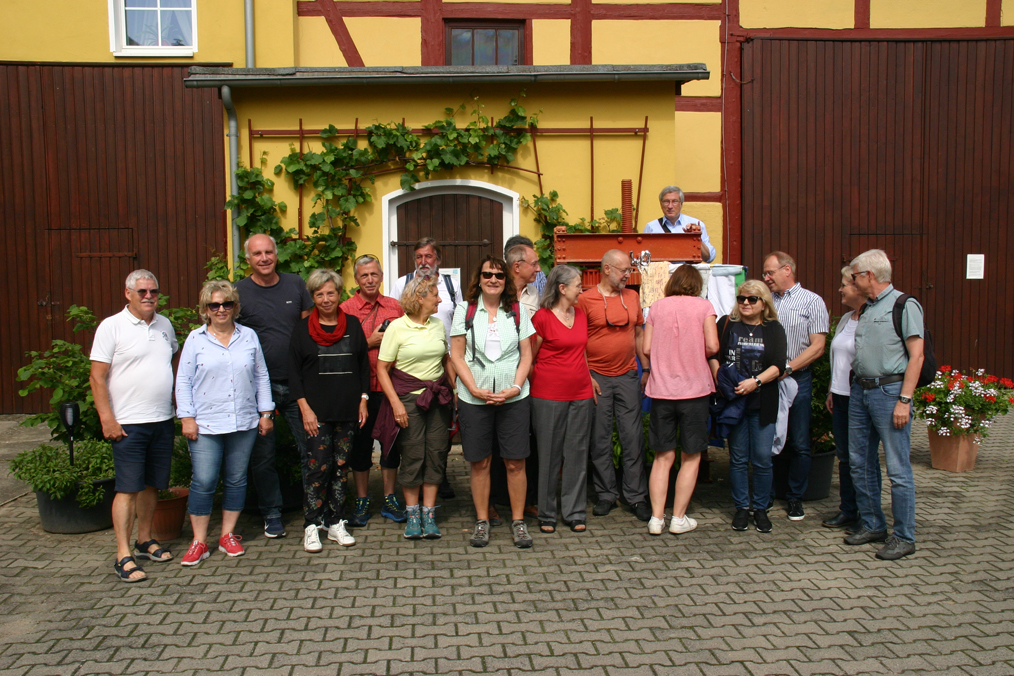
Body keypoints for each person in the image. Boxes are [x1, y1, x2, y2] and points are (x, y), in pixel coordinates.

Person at [175, 281, 274, 566]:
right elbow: (183, 380)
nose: (221, 309)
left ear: (235, 307)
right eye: (214, 305)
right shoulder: (195, 339)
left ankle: (227, 535)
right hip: (205, 423)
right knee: (204, 480)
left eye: (227, 304)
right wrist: (186, 417)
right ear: (205, 309)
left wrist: (266, 413)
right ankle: (199, 541)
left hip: (243, 420)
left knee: (236, 479)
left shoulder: (248, 336)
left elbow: (261, 375)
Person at [90, 270, 179, 583]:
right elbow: (97, 377)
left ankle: (144, 540)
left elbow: (169, 364)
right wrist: (107, 419)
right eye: (142, 291)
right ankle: (122, 554)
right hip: (128, 423)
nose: (149, 296)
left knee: (152, 484)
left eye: (153, 291)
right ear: (127, 293)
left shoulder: (165, 325)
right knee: (127, 488)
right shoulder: (111, 326)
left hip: (162, 419)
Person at [450, 256, 536, 549]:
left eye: (499, 275)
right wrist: (473, 388)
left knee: (515, 462)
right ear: (479, 278)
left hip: (514, 398)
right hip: (474, 398)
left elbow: (527, 354)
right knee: (480, 462)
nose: (493, 280)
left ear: (505, 280)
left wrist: (515, 387)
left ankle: (518, 522)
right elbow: (456, 355)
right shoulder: (465, 310)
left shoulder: (517, 311)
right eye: (487, 274)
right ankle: (482, 520)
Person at [845, 249, 924, 561]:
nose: (851, 281)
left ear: (869, 275)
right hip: (860, 391)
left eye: (854, 275)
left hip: (889, 393)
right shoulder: (867, 307)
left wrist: (905, 399)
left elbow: (916, 355)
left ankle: (904, 536)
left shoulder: (904, 304)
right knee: (859, 462)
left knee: (897, 468)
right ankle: (873, 524)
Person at [235, 233, 314, 539]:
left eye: (269, 252)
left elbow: (308, 329)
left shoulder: (295, 284)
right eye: (257, 254)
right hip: (258, 390)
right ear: (248, 259)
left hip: (297, 386)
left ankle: (314, 510)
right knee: (263, 456)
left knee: (310, 448)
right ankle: (271, 513)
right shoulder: (238, 292)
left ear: (276, 254)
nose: (264, 258)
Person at [289, 269, 370, 552]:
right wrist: (305, 409)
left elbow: (363, 365)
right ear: (313, 297)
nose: (326, 299)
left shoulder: (353, 324)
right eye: (319, 294)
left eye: (330, 293)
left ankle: (336, 522)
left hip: (347, 410)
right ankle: (312, 525)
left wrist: (363, 399)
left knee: (341, 467)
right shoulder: (302, 330)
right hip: (316, 414)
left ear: (339, 294)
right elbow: (294, 373)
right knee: (317, 468)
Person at [375, 274, 455, 540]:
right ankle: (412, 515)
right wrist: (396, 403)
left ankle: (428, 515)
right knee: (412, 455)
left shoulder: (437, 325)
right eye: (435, 295)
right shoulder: (397, 327)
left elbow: (445, 359)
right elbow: (382, 369)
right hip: (409, 400)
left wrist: (456, 390)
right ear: (420, 298)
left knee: (436, 453)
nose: (440, 300)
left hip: (438, 400)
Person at [643, 266, 719, 536]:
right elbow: (713, 346)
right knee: (691, 455)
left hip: (662, 391)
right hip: (694, 391)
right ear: (696, 284)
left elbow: (646, 347)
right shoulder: (704, 306)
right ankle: (678, 518)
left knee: (662, 456)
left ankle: (656, 519)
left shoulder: (657, 307)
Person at [577, 249, 651, 522]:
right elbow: (579, 340)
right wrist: (588, 375)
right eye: (623, 270)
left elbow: (639, 335)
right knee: (600, 438)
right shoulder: (585, 299)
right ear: (607, 269)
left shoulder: (632, 297)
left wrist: (646, 368)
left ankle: (636, 496)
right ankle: (606, 494)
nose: (627, 275)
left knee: (633, 438)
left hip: (628, 375)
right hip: (597, 377)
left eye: (629, 270)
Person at [388, 237, 462, 501]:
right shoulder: (402, 284)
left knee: (439, 441)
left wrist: (456, 382)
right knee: (413, 445)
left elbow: (459, 321)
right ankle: (414, 495)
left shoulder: (451, 286)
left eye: (428, 256)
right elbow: (394, 318)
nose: (423, 261)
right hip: (412, 371)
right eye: (418, 257)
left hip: (444, 362)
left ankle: (438, 481)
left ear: (438, 259)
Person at [710, 280, 787, 533]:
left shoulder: (773, 328)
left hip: (762, 401)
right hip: (734, 403)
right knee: (738, 458)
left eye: (752, 299)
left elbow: (779, 365)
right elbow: (713, 355)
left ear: (763, 303)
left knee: (763, 458)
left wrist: (756, 382)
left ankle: (761, 508)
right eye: (741, 298)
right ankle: (742, 508)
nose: (745, 303)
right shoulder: (726, 324)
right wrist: (720, 378)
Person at [340, 254, 407, 527]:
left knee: (391, 445)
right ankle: (362, 499)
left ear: (381, 276)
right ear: (356, 279)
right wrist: (370, 341)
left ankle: (390, 497)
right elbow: (341, 350)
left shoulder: (394, 306)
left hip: (390, 387)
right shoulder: (345, 309)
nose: (370, 280)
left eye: (374, 274)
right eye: (364, 275)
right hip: (360, 390)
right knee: (361, 446)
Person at [762, 251, 829, 521]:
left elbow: (818, 346)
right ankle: (765, 496)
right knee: (767, 438)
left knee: (800, 441)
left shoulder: (812, 301)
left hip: (797, 378)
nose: (766, 278)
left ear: (787, 270)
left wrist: (788, 368)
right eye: (765, 274)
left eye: (770, 272)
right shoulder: (764, 301)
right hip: (768, 381)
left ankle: (795, 498)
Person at [530, 265, 595, 533]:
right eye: (578, 285)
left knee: (577, 453)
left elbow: (582, 351)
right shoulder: (542, 318)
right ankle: (547, 513)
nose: (582, 289)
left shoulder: (580, 314)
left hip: (581, 393)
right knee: (549, 455)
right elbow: (530, 358)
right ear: (562, 288)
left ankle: (575, 511)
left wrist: (589, 378)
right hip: (548, 395)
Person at [821, 267, 866, 532]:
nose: (840, 289)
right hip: (840, 396)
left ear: (858, 287)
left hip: (860, 397)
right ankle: (848, 509)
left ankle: (866, 514)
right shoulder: (847, 318)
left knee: (861, 459)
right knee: (845, 458)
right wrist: (831, 389)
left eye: (844, 285)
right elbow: (837, 358)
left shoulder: (870, 320)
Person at [640, 186, 717, 263]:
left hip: (687, 270)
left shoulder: (696, 224)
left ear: (681, 204)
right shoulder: (651, 227)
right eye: (666, 201)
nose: (670, 206)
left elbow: (709, 257)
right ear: (661, 204)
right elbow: (643, 258)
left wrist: (695, 237)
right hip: (661, 270)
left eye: (674, 201)